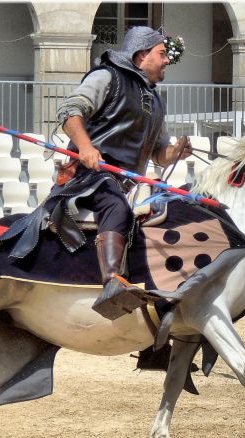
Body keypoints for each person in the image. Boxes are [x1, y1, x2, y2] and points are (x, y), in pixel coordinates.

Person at [55, 26, 192, 319]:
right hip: (88, 178)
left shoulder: (155, 100)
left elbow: (159, 154)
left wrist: (176, 152)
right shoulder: (106, 77)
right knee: (116, 205)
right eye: (162, 54)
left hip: (125, 183)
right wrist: (85, 148)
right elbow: (69, 111)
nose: (167, 60)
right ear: (142, 54)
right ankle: (112, 285)